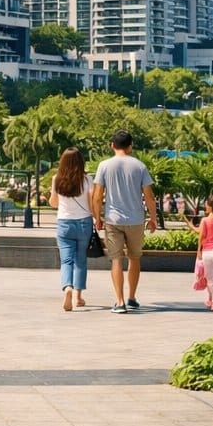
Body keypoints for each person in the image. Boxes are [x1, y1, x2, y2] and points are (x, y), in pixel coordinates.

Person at [90, 131, 159, 313]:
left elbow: (97, 196)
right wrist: (153, 218)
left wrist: (97, 218)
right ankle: (131, 297)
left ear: (112, 145)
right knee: (135, 258)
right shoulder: (140, 166)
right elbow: (149, 197)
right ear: (130, 146)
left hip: (113, 220)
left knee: (116, 260)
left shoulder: (104, 166)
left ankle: (119, 302)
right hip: (136, 220)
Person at [48, 147, 93, 311]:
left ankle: (67, 287)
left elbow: (53, 203)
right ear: (81, 162)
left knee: (66, 260)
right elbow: (91, 202)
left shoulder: (56, 179)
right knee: (80, 261)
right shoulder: (87, 179)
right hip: (83, 223)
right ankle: (78, 296)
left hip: (64, 223)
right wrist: (98, 218)